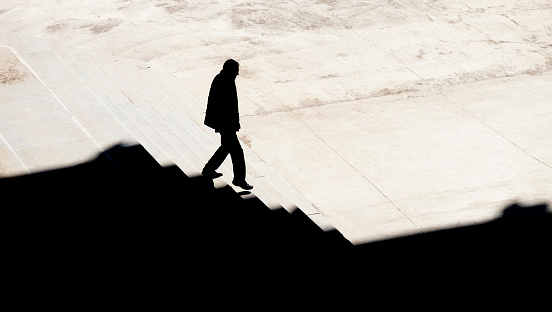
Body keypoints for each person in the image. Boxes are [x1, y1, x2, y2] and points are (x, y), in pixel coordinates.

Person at [202, 59, 253, 190]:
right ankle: (239, 179)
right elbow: (227, 107)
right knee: (237, 152)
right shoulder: (225, 81)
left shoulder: (222, 79)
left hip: (224, 123)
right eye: (236, 71)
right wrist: (232, 124)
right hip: (225, 124)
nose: (237, 74)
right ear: (230, 70)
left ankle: (209, 169)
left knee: (225, 148)